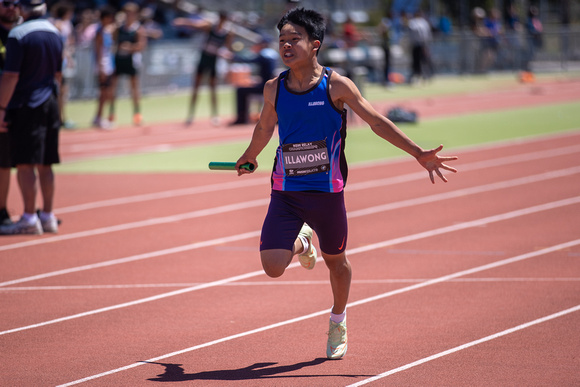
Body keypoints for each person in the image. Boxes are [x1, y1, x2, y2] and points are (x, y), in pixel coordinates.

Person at [235, 8, 457, 360]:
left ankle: (337, 319)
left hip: (327, 193)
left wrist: (417, 153)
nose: (286, 46)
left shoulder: (336, 85)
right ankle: (302, 243)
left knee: (336, 261)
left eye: (295, 39)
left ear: (315, 44)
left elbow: (377, 122)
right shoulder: (273, 88)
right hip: (286, 191)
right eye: (282, 40)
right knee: (272, 265)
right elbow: (264, 127)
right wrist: (249, 156)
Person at [0, 0, 63, 235]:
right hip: (50, 103)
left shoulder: (18, 34)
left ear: (23, 9)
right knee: (46, 164)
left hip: (26, 103)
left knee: (26, 164)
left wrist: (1, 108)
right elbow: (58, 73)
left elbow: (11, 76)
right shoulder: (56, 32)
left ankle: (28, 216)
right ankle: (47, 215)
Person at [173, 10, 233, 126]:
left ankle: (215, 115)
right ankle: (190, 115)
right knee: (196, 86)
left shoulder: (228, 33)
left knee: (213, 88)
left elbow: (227, 48)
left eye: (224, 19)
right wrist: (182, 22)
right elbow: (195, 24)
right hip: (204, 58)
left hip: (213, 60)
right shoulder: (210, 26)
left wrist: (225, 53)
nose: (222, 21)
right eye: (221, 18)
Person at [109, 2, 147, 127]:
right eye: (126, 13)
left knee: (134, 89)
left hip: (131, 61)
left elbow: (142, 46)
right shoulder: (119, 28)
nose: (128, 15)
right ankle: (111, 114)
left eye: (131, 13)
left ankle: (137, 115)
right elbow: (112, 39)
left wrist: (130, 47)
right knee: (113, 87)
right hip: (119, 59)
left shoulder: (138, 29)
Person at [0, 0, 20, 226]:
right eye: (6, 3)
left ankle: (5, 211)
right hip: (3, 106)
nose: (12, 7)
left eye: (16, 3)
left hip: (17, 105)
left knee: (11, 163)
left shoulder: (21, 33)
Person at [229, 36, 277, 125]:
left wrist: (233, 57)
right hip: (271, 85)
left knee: (240, 90)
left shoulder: (264, 54)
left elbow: (249, 60)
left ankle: (241, 118)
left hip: (266, 86)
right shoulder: (273, 55)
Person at [92, 5, 116, 130]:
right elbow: (98, 51)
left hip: (109, 64)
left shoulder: (107, 30)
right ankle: (98, 117)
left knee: (107, 93)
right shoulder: (100, 31)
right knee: (103, 93)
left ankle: (102, 116)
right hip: (103, 65)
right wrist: (101, 68)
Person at [406, 10, 433, 84]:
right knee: (421, 61)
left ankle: (421, 76)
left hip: (418, 44)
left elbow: (412, 33)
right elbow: (427, 34)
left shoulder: (414, 22)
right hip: (421, 44)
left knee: (419, 61)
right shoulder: (423, 22)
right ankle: (423, 76)